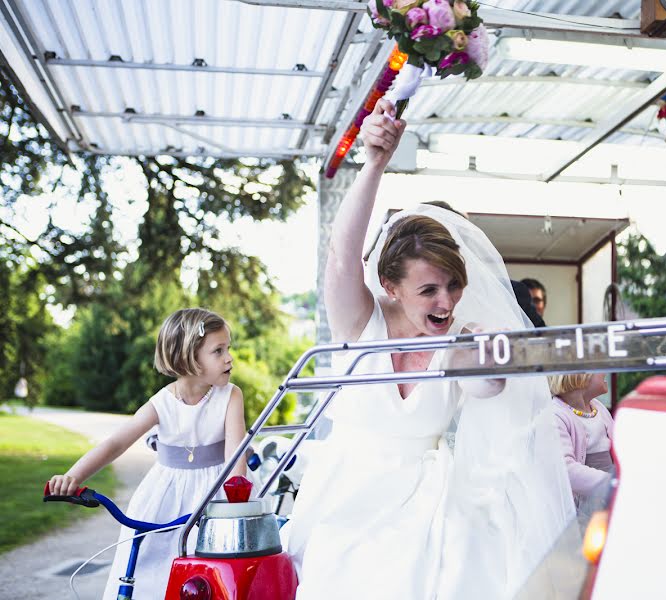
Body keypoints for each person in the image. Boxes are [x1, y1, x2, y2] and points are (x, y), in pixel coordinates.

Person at [283, 98, 575, 600]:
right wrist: (374, 163)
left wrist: (488, 354)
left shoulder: (465, 333)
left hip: (427, 496)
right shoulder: (359, 319)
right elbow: (341, 252)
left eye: (454, 285)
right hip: (348, 487)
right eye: (429, 291)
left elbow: (488, 384)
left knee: (456, 564)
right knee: (341, 565)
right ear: (391, 287)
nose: (446, 302)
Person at [47, 308, 247, 600]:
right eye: (219, 351)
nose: (229, 357)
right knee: (149, 569)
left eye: (228, 348)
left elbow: (235, 455)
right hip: (165, 497)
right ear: (189, 357)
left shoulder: (230, 395)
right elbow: (115, 443)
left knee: (212, 576)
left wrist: (235, 499)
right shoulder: (161, 403)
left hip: (216, 494)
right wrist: (73, 476)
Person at [548, 373, 614, 513]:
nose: (605, 371)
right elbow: (566, 470)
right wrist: (611, 483)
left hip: (611, 496)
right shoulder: (556, 415)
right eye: (599, 367)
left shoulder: (599, 408)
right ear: (580, 375)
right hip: (585, 508)